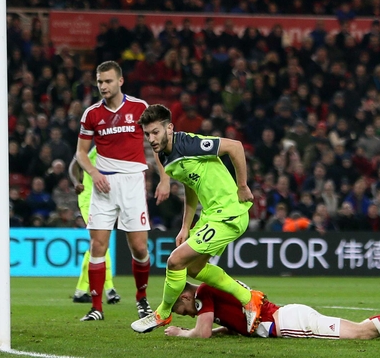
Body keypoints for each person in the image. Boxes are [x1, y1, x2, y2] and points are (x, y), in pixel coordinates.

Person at [131, 104, 262, 335]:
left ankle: (163, 312)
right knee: (194, 268)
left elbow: (235, 146)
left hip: (230, 213)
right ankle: (249, 298)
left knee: (175, 261)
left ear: (169, 128)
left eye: (155, 132)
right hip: (212, 215)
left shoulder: (188, 143)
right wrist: (185, 226)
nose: (151, 139)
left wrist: (242, 186)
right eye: (147, 134)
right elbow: (190, 185)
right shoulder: (166, 156)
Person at [75, 61, 169, 322]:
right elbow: (81, 154)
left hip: (132, 183)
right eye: (99, 82)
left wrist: (164, 178)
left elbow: (157, 144)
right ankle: (96, 307)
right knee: (98, 246)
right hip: (103, 185)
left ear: (120, 81)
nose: (103, 86)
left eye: (107, 81)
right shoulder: (91, 114)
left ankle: (141, 299)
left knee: (139, 248)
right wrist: (94, 174)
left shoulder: (139, 108)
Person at [165, 282, 380, 341]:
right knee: (360, 330)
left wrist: (181, 333)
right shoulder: (214, 294)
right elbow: (234, 325)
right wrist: (219, 331)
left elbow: (200, 334)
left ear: (188, 295)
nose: (181, 312)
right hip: (289, 316)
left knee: (360, 333)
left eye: (179, 306)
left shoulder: (204, 294)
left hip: (290, 323)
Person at [68, 146, 120, 304]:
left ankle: (80, 291)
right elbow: (73, 165)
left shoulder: (119, 150)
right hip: (89, 199)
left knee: (97, 246)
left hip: (105, 201)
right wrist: (76, 182)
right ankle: (110, 289)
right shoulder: (96, 147)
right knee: (101, 243)